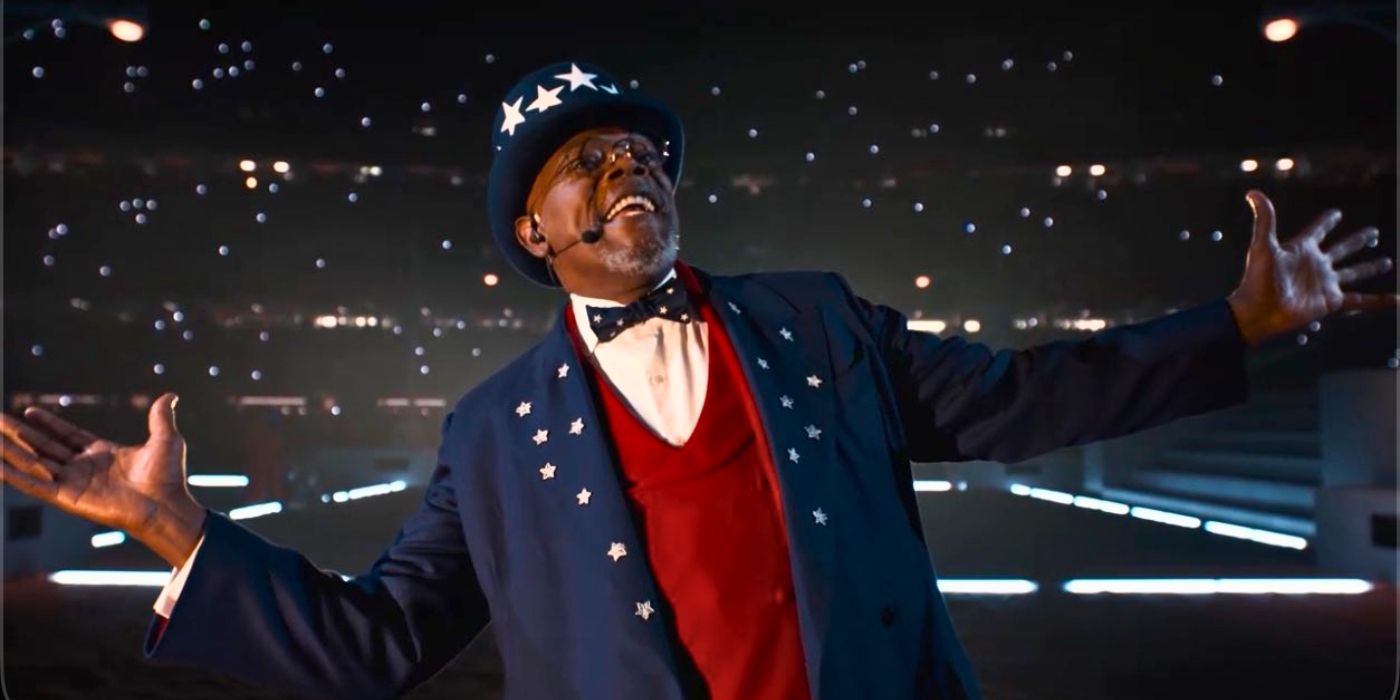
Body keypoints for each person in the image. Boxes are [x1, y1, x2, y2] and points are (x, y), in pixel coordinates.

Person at [1, 60, 1395, 700]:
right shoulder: (491, 433)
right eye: (588, 162)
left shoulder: (819, 320)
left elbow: (1027, 397)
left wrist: (1235, 324)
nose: (633, 169)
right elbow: (382, 643)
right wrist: (179, 535)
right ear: (532, 237)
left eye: (648, 151)